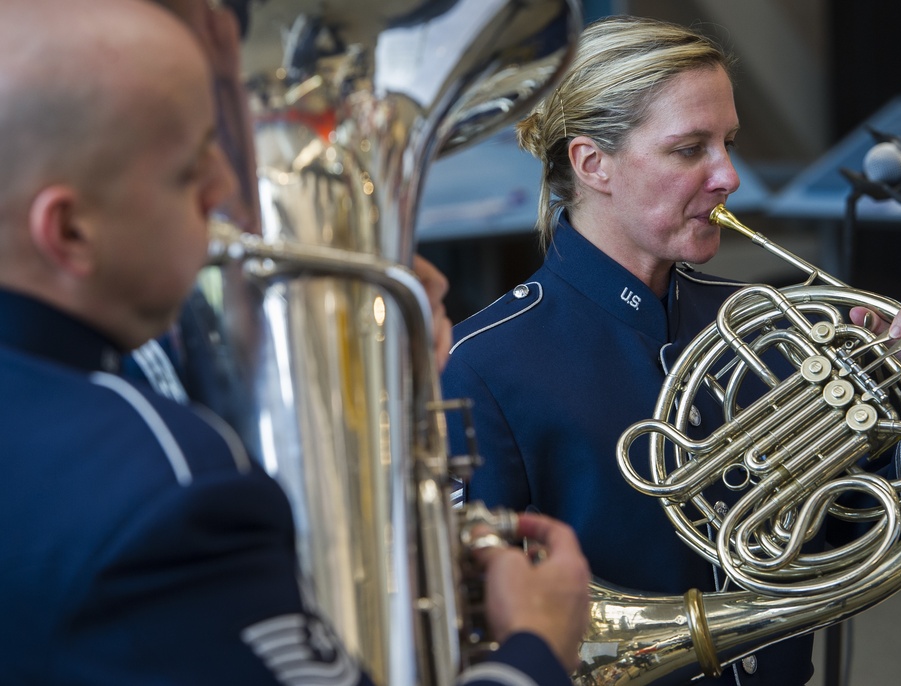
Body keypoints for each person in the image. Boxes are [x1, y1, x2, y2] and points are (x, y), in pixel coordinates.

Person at [0, 0, 590, 684]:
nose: (226, 187)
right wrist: (533, 650)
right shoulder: (169, 491)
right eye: (190, 172)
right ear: (69, 232)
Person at [442, 15, 901, 686]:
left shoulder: (778, 325)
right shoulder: (485, 362)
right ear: (593, 164)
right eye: (689, 149)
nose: (728, 175)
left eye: (728, 142)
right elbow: (469, 629)